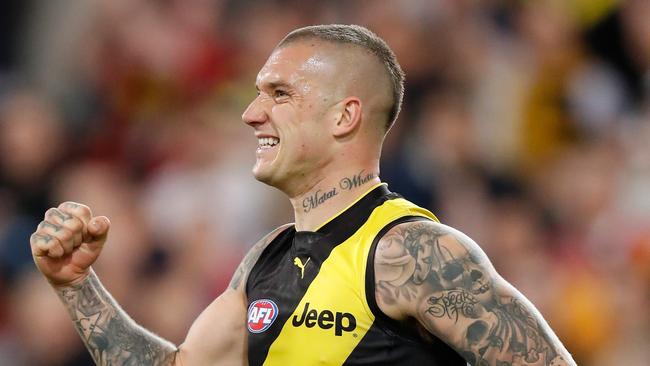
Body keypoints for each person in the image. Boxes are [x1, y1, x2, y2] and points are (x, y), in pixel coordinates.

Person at [30, 24, 576, 366]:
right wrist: (78, 286)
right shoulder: (263, 261)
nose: (251, 113)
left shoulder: (412, 253)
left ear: (345, 116)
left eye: (280, 94)